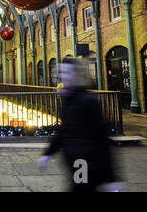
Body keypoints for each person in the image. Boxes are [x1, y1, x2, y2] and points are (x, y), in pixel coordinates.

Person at [38, 58, 119, 192]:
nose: (61, 75)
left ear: (76, 74)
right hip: (75, 161)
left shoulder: (87, 101)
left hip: (84, 162)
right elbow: (64, 130)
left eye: (65, 72)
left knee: (81, 188)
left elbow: (102, 138)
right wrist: (48, 153)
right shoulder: (69, 99)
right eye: (61, 72)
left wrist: (111, 178)